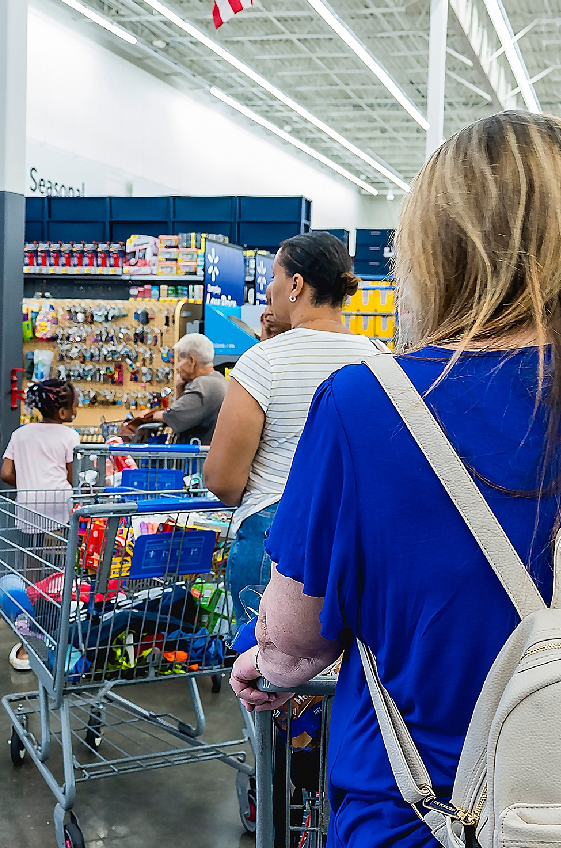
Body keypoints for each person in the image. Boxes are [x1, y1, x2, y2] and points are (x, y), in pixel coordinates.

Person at [231, 110, 561, 847]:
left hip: (426, 811)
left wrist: (264, 664)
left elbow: (293, 645)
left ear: (434, 247)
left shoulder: (368, 403)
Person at [203, 231, 379, 635]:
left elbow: (223, 481)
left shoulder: (263, 361)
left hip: (276, 535)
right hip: (355, 538)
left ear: (296, 285)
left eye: (274, 276)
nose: (268, 288)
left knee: (269, 686)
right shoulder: (379, 358)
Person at [0, 378, 80, 671]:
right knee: (60, 573)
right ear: (61, 411)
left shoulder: (20, 434)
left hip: (28, 511)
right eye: (73, 404)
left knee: (31, 570)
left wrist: (31, 484)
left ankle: (29, 628)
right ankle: (59, 631)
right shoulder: (70, 436)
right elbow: (75, 478)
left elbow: (6, 472)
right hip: (61, 512)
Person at [135, 333, 227, 445]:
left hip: (199, 458)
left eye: (179, 360)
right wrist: (180, 387)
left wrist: (151, 415)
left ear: (192, 361)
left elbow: (174, 415)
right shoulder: (219, 380)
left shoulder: (201, 386)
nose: (177, 367)